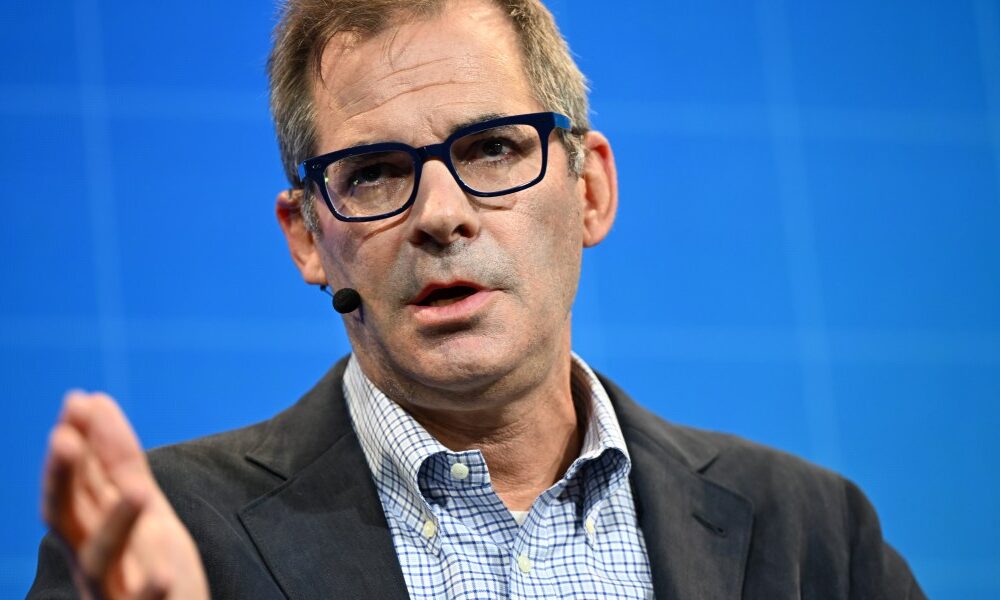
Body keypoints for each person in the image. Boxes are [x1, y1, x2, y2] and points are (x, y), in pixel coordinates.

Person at [29, 0, 926, 598]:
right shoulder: (160, 542)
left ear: (589, 190)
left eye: (493, 148)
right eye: (374, 172)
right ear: (307, 237)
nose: (440, 215)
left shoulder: (814, 537)